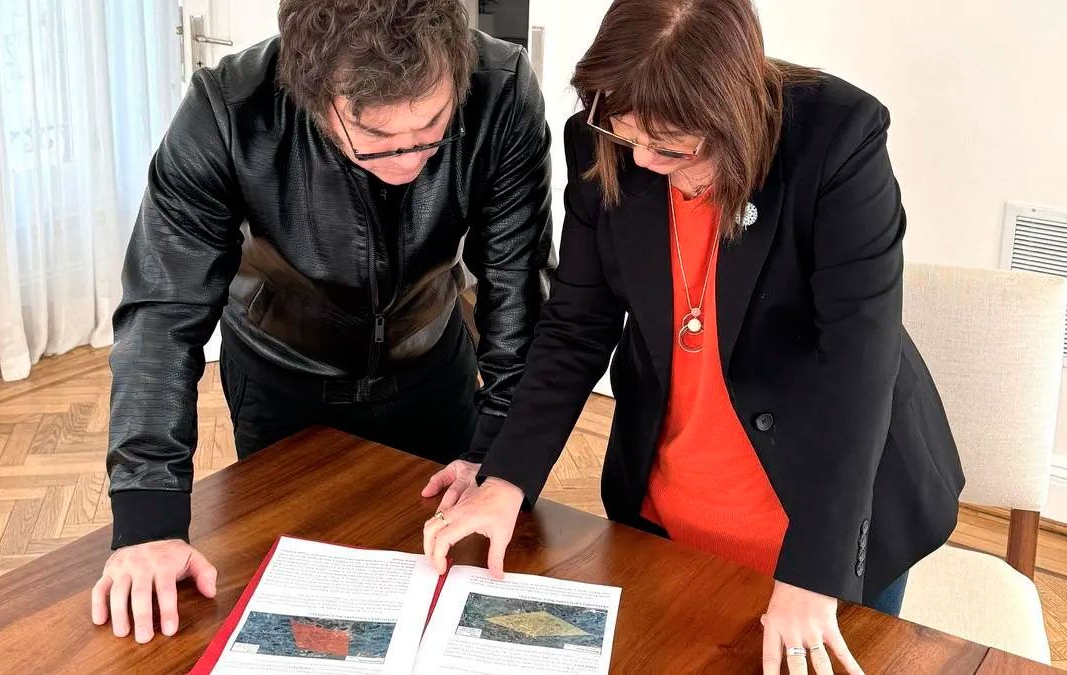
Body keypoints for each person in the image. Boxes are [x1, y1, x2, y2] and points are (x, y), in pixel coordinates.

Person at [421, 1, 965, 673]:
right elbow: (575, 326)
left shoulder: (837, 136)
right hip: (668, 508)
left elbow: (859, 365)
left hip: (826, 511)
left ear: (731, 115)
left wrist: (815, 571)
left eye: (672, 147)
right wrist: (506, 476)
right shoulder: (601, 141)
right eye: (628, 135)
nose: (643, 161)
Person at [91, 0, 553, 644]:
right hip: (281, 380)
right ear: (311, 94)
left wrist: (497, 452)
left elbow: (515, 285)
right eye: (375, 137)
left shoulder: (500, 89)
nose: (408, 161)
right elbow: (162, 312)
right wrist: (148, 519)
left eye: (431, 130)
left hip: (432, 367)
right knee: (300, 607)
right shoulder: (228, 109)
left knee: (447, 587)